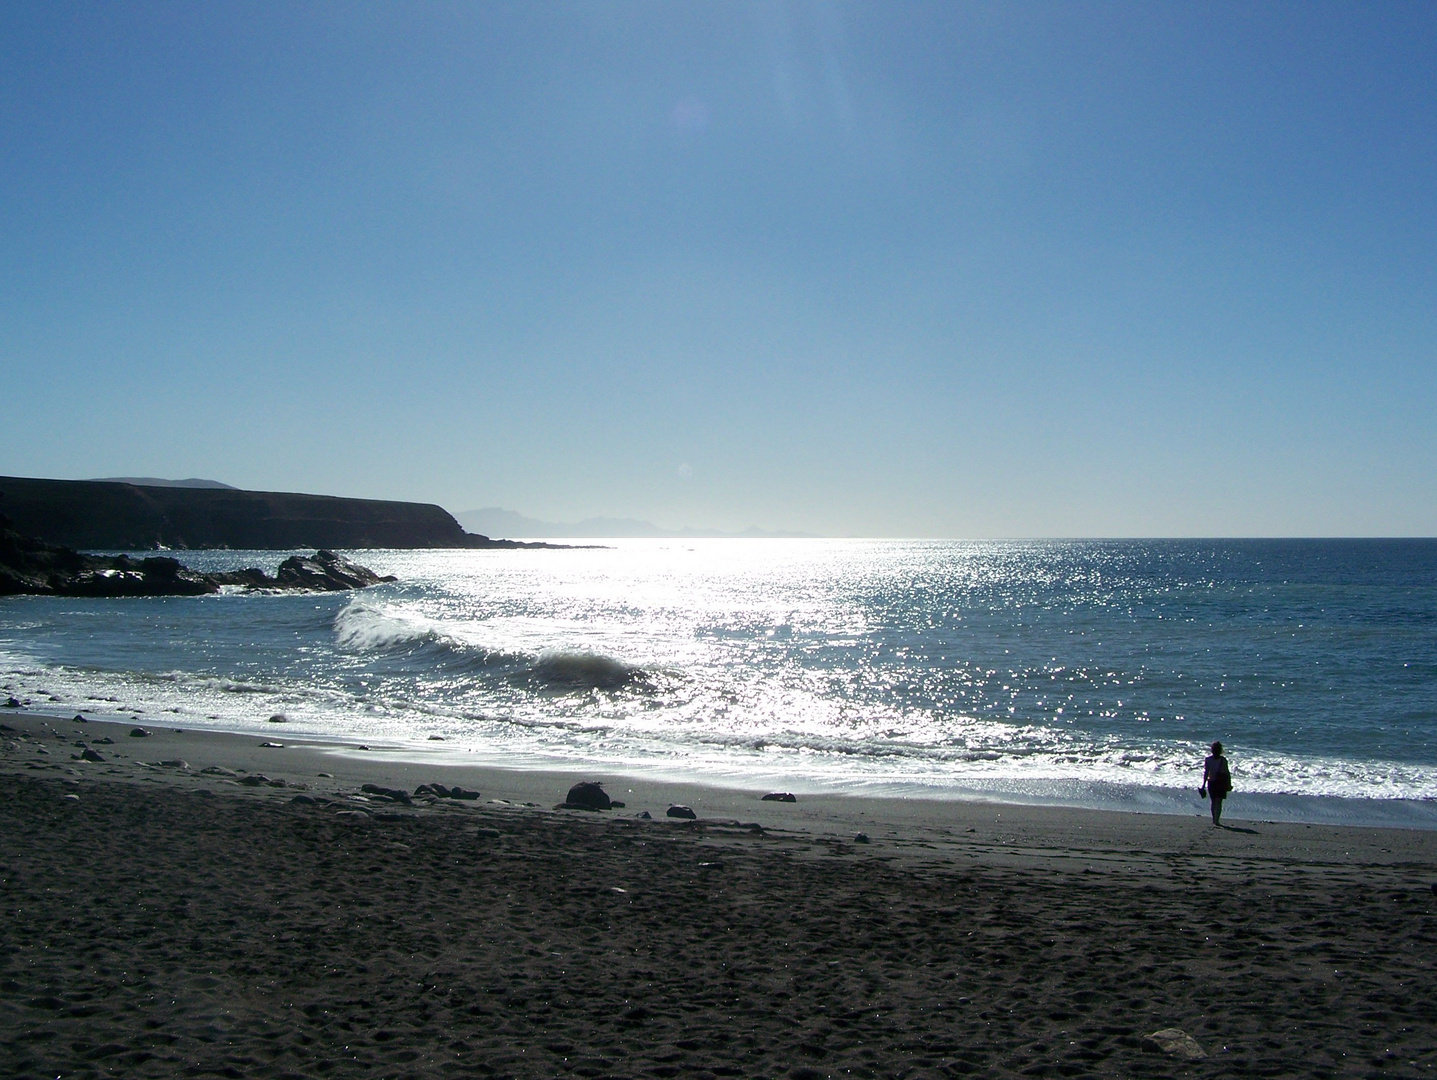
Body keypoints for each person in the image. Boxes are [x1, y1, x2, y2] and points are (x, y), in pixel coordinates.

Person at [1200, 741, 1232, 826]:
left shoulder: (1208, 760)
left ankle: (1214, 819)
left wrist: (1203, 785)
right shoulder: (1223, 760)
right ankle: (1217, 820)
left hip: (1211, 782)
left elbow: (1206, 773)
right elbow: (1227, 773)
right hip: (1220, 782)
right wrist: (1229, 784)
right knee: (1219, 802)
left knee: (1213, 802)